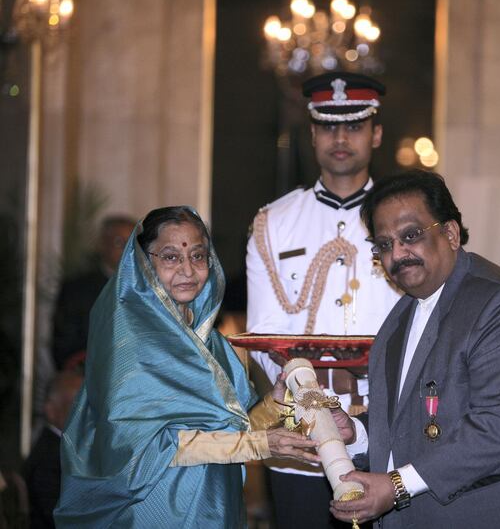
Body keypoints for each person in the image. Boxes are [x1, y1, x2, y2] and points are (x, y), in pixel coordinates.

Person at [329, 170, 500, 527]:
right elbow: (417, 420)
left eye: (410, 236)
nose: (397, 254)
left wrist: (397, 485)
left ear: (451, 233)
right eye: (384, 244)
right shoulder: (401, 318)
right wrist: (357, 432)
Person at [55, 206, 321, 528]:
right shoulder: (130, 342)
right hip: (156, 504)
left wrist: (277, 403)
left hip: (213, 498)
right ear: (143, 263)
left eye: (198, 256)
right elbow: (143, 448)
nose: (187, 270)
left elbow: (231, 428)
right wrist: (261, 444)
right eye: (170, 257)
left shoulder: (211, 340)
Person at [246, 72, 401, 528]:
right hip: (299, 436)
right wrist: (314, 410)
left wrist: (368, 421)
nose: (340, 137)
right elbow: (264, 334)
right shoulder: (272, 223)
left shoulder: (403, 220)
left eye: (353, 125)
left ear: (376, 133)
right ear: (312, 134)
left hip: (385, 427)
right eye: (328, 126)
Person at [51, 215, 136, 370]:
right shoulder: (76, 289)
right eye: (119, 242)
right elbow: (64, 345)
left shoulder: (151, 288)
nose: (127, 249)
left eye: (132, 243)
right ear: (102, 244)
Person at [23, 370, 83, 529]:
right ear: (51, 410)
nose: (83, 415)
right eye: (75, 406)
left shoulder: (60, 449)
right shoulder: (48, 460)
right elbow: (60, 517)